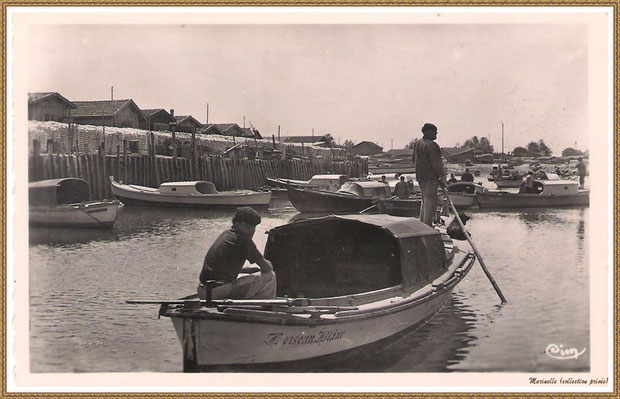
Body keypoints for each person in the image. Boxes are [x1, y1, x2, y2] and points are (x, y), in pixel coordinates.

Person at [197, 207, 276, 300]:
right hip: (219, 292)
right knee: (270, 275)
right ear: (237, 224)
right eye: (247, 226)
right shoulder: (243, 239)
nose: (251, 230)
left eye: (253, 227)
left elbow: (218, 268)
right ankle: (263, 307)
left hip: (203, 291)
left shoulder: (226, 234)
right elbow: (267, 268)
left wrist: (247, 270)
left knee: (250, 277)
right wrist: (268, 265)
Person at [412, 123, 445, 226]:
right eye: (435, 132)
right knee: (431, 201)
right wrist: (442, 178)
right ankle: (427, 225)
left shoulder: (417, 143)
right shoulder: (432, 145)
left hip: (420, 176)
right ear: (428, 132)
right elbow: (437, 164)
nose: (436, 134)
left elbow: (414, 159)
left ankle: (422, 224)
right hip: (430, 177)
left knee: (424, 200)